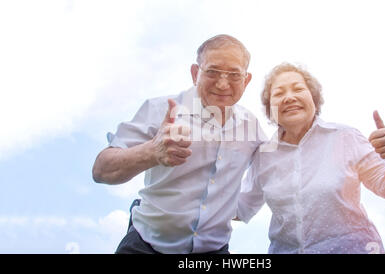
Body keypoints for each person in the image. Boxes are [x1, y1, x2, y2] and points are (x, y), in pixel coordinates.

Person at [92, 34, 266, 254]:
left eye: (234, 74)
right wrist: (151, 152)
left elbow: (271, 169)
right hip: (145, 245)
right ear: (195, 73)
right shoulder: (160, 109)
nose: (223, 84)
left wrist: (237, 208)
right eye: (212, 72)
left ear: (246, 80)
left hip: (213, 251)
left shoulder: (251, 126)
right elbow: (101, 170)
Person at [236, 62, 385, 254]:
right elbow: (240, 208)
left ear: (313, 98)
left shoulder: (344, 136)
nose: (289, 97)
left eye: (298, 89)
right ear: (269, 108)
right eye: (279, 93)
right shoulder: (264, 156)